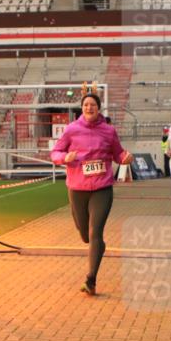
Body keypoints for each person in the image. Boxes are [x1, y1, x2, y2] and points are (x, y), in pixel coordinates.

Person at [50, 93, 133, 296]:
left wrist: (126, 158)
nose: (89, 108)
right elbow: (55, 153)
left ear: (99, 108)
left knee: (96, 232)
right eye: (86, 105)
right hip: (77, 188)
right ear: (82, 108)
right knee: (85, 234)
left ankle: (91, 278)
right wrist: (64, 157)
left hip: (102, 188)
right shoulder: (71, 130)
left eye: (93, 105)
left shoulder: (109, 131)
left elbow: (118, 154)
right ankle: (95, 247)